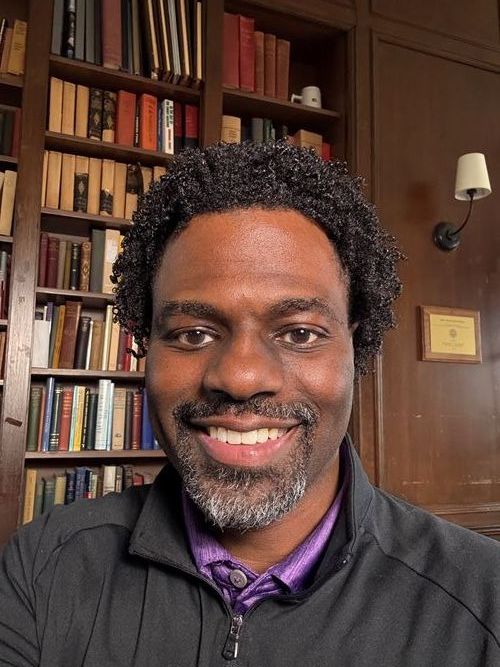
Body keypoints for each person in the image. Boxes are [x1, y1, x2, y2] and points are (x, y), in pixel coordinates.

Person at [1, 141, 499, 667]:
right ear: (146, 346)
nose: (240, 378)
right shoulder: (45, 567)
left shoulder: (485, 599)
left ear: (356, 347)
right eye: (193, 333)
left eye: (300, 333)